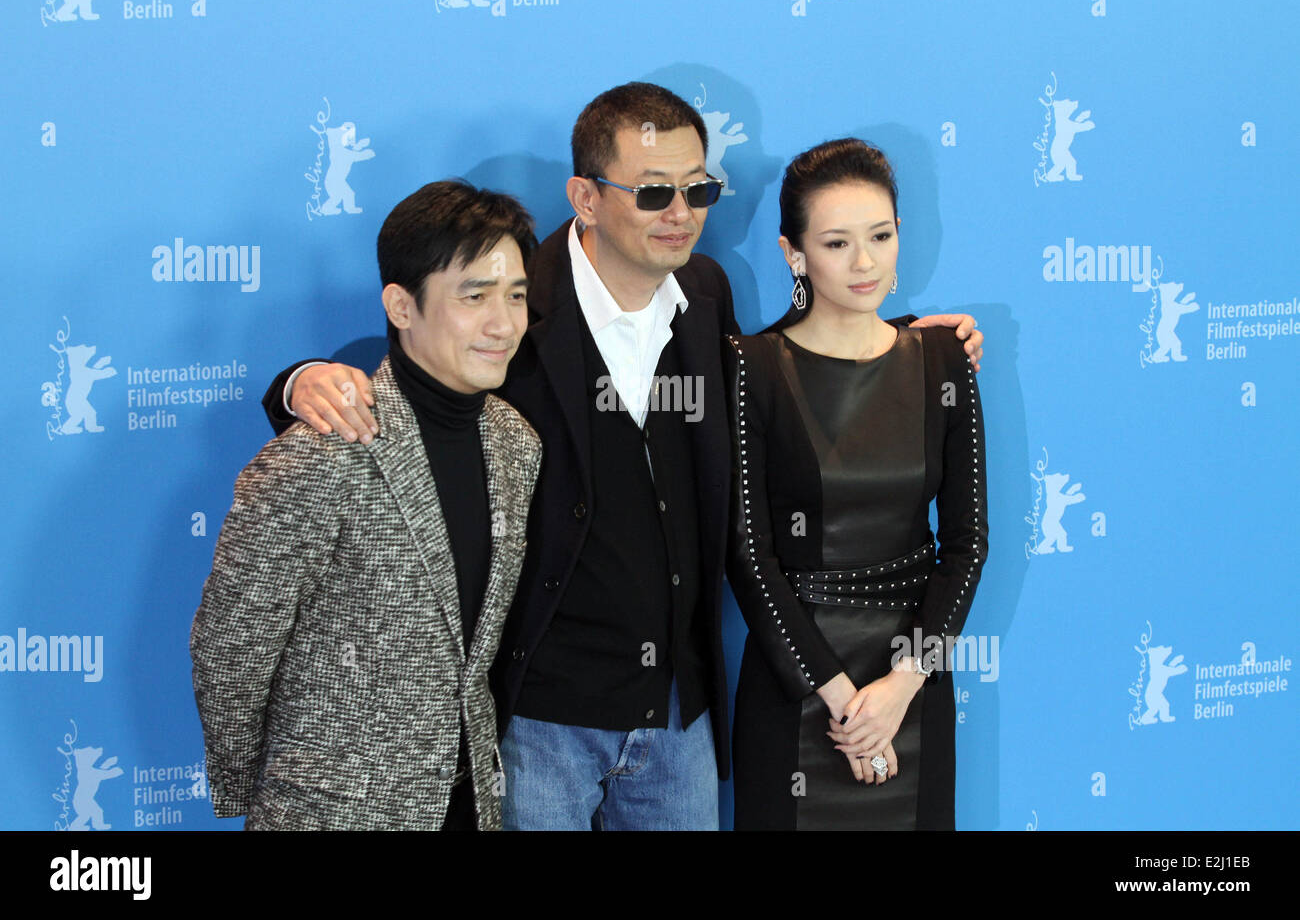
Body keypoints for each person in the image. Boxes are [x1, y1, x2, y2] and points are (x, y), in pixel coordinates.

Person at [261, 83, 985, 830]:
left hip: (679, 717)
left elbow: (793, 368)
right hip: (544, 717)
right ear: (585, 196)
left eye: (698, 189)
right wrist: (299, 383)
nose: (682, 214)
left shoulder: (705, 296)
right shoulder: (515, 306)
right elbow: (417, 374)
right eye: (653, 193)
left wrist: (909, 343)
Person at [190, 180, 541, 830]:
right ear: (401, 306)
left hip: (469, 805)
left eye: (516, 295)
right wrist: (260, 794)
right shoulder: (322, 452)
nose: (504, 323)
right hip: (333, 811)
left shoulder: (515, 442)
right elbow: (231, 645)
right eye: (475, 297)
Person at [724, 138, 988, 830]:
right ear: (795, 253)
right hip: (796, 683)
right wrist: (844, 701)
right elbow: (750, 556)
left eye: (881, 236)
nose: (864, 262)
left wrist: (902, 687)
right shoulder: (751, 368)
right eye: (837, 243)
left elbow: (966, 542)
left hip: (912, 681)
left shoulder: (942, 359)